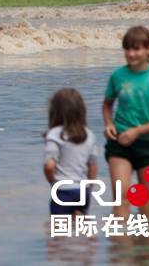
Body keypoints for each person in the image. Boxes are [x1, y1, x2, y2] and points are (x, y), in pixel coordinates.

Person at [103, 26, 149, 219]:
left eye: (136, 49)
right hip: (120, 142)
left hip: (148, 146)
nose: (131, 54)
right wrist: (108, 124)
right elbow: (107, 104)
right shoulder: (117, 76)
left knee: (148, 201)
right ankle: (121, 247)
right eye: (127, 49)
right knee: (120, 198)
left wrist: (137, 131)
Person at [44, 88, 98, 216]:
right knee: (81, 226)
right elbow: (93, 166)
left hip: (63, 190)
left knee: (59, 230)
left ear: (54, 111)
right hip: (82, 190)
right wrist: (88, 189)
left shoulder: (54, 134)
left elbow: (49, 166)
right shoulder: (88, 134)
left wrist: (52, 181)